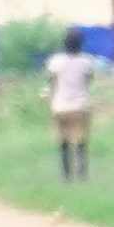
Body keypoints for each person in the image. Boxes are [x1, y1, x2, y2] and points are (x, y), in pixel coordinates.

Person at [45, 33, 97, 183]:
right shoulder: (86, 61)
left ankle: (66, 174)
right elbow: (88, 80)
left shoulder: (56, 61)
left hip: (60, 106)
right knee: (81, 141)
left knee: (63, 141)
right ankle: (82, 173)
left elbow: (52, 80)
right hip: (81, 105)